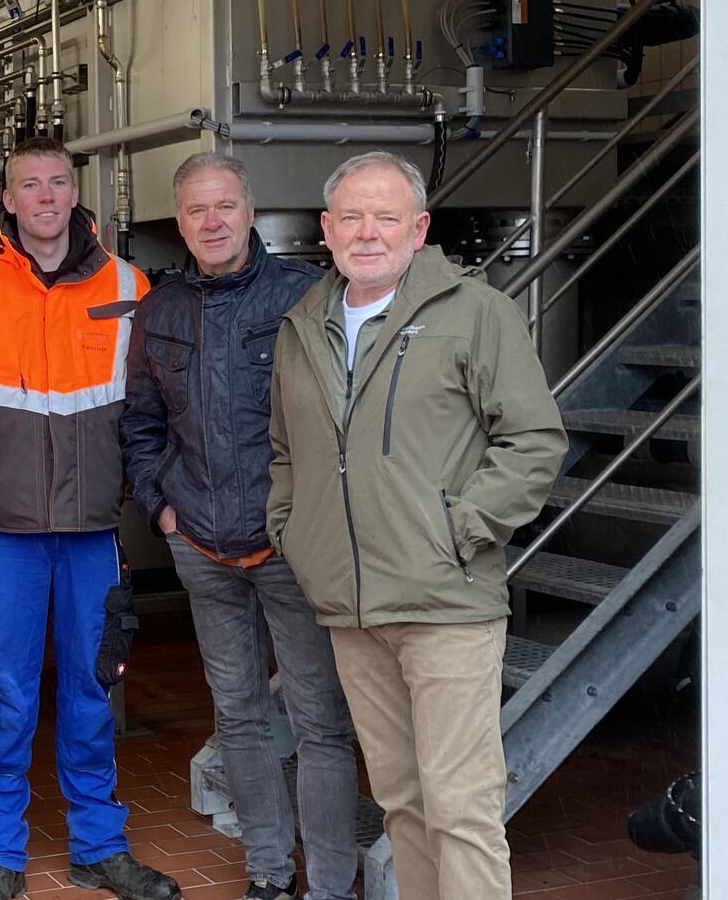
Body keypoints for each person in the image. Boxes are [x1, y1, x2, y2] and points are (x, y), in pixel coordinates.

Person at [267, 151, 566, 900]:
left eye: (387, 216)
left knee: (460, 808)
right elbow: (284, 452)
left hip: (446, 602)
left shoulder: (475, 312)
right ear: (327, 229)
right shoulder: (303, 324)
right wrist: (294, 534)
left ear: (419, 227)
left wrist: (462, 529)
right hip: (351, 606)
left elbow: (532, 440)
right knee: (402, 802)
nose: (369, 232)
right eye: (353, 217)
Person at [0, 137, 180, 900]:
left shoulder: (129, 286)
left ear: (76, 193)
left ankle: (97, 846)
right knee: (6, 697)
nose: (43, 196)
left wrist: (140, 493)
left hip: (94, 534)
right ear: (7, 200)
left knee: (94, 693)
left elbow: (147, 413)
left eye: (56, 183)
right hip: (5, 536)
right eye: (27, 184)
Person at [119, 154, 355, 900]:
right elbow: (140, 426)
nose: (211, 222)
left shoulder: (306, 297)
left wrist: (310, 520)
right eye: (196, 211)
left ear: (249, 211)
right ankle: (268, 873)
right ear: (179, 222)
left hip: (288, 548)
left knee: (320, 725)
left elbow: (338, 423)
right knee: (240, 718)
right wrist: (163, 509)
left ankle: (329, 882)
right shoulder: (158, 311)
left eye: (224, 206)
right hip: (201, 548)